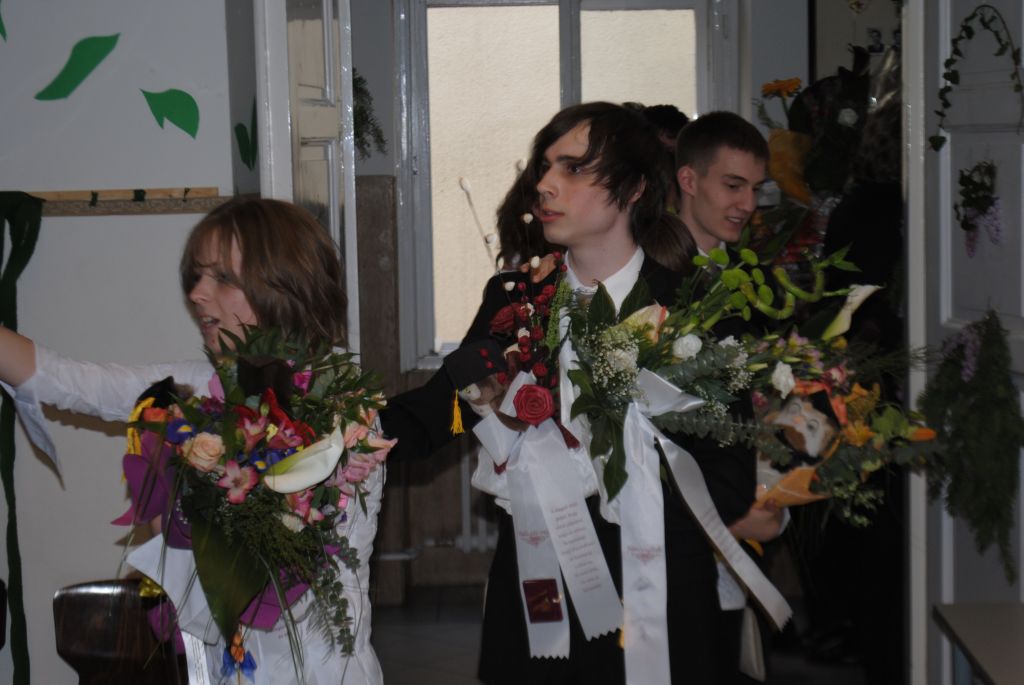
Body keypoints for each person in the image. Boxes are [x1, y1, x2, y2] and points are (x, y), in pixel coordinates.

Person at [381, 102, 756, 684]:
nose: (546, 184)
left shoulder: (695, 308)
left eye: (574, 168)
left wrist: (621, 490)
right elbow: (448, 411)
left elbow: (729, 478)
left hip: (657, 593)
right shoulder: (514, 299)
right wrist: (346, 439)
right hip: (540, 590)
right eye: (547, 166)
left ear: (634, 187)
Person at [0, 197, 385, 684]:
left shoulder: (344, 408)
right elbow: (72, 381)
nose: (197, 294)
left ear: (283, 284)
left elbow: (272, 544)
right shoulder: (203, 387)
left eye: (221, 278)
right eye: (196, 276)